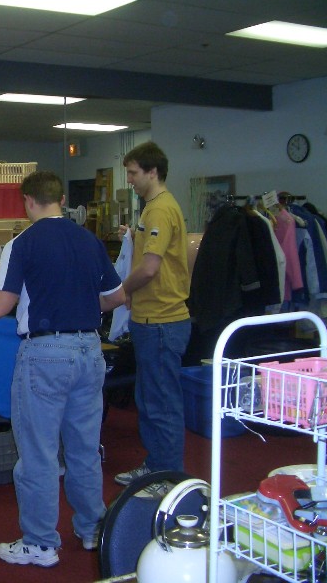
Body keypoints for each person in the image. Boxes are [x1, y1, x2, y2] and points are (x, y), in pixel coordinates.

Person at [0, 170, 125, 568]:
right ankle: (93, 528)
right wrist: (82, 305)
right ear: (62, 200)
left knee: (38, 453)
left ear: (28, 202)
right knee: (84, 449)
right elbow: (116, 296)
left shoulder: (23, 243)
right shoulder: (90, 240)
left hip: (45, 353)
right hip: (90, 349)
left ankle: (40, 543)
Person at [114, 141, 191, 497]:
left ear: (152, 172)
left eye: (133, 173)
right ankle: (156, 465)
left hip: (162, 321)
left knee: (162, 404)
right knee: (149, 400)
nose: (129, 179)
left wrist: (121, 291)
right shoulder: (152, 209)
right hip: (149, 320)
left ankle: (169, 478)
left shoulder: (160, 209)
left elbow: (149, 268)